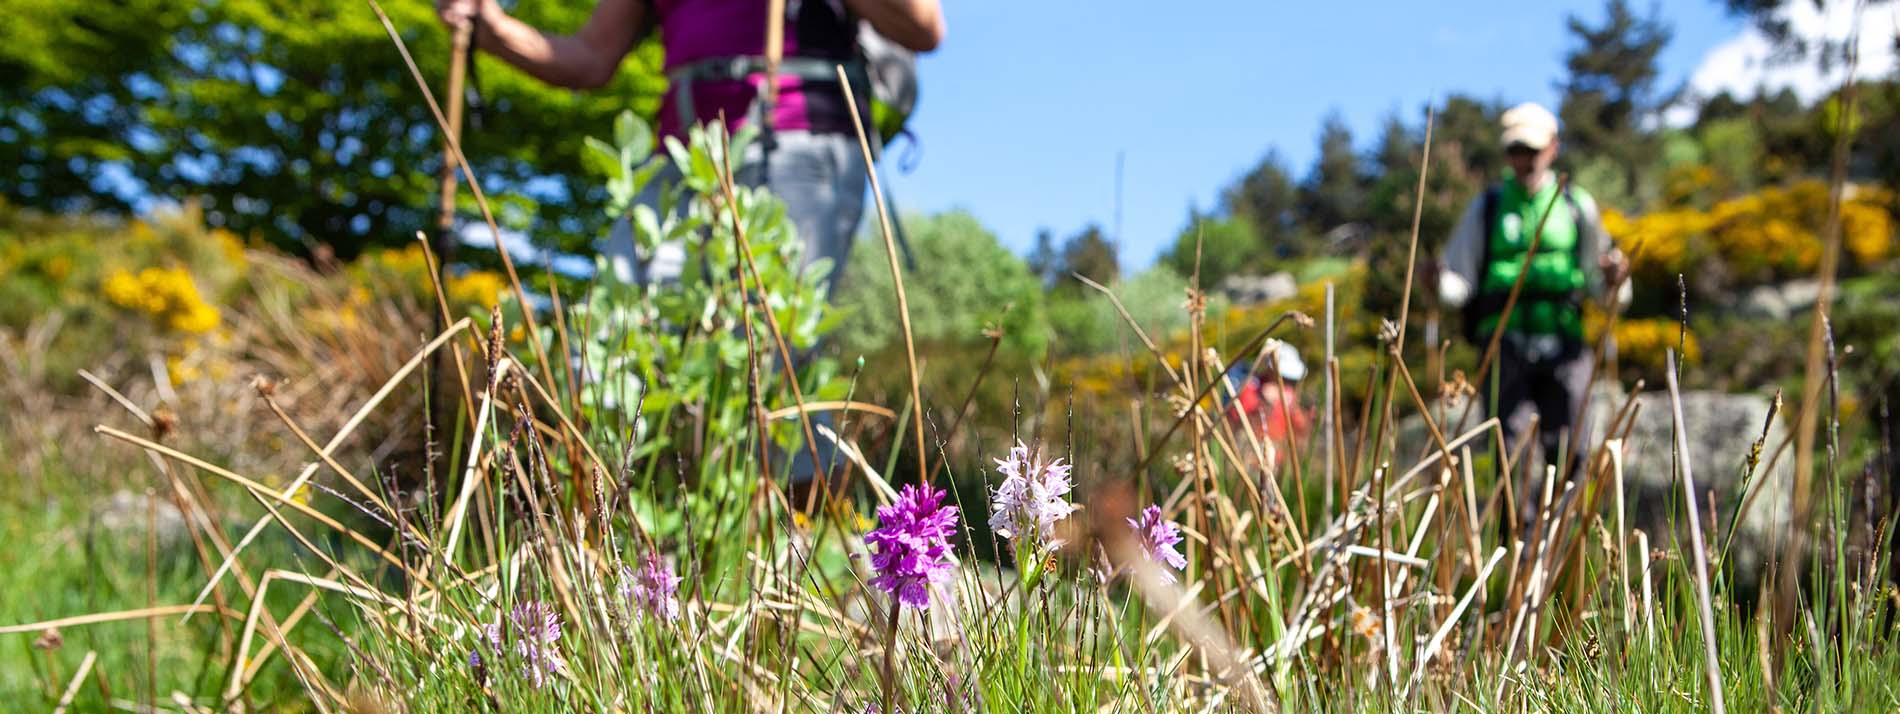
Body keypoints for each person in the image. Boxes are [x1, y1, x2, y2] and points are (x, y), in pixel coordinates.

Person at [435, 0, 945, 488]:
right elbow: (590, 57)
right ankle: (624, 547)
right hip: (681, 156)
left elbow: (923, 26)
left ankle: (809, 556)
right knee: (610, 341)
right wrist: (495, 30)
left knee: (773, 356)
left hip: (800, 142)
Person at [1433, 102, 1629, 492]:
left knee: (1572, 446)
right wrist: (1434, 283)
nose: (1523, 161)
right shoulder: (1487, 207)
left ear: (1553, 149)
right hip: (1503, 343)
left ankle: (1562, 537)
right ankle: (1513, 548)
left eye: (1531, 151)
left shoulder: (1577, 206)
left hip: (1565, 341)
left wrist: (1614, 280)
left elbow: (1598, 281)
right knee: (1508, 449)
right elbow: (1458, 281)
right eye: (1515, 151)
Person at [1224, 342, 1312, 470]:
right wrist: (1264, 403)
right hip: (1248, 460)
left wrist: (1299, 412)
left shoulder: (1289, 395)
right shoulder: (1251, 389)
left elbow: (1301, 428)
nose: (1285, 381)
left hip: (1275, 462)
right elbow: (1236, 422)